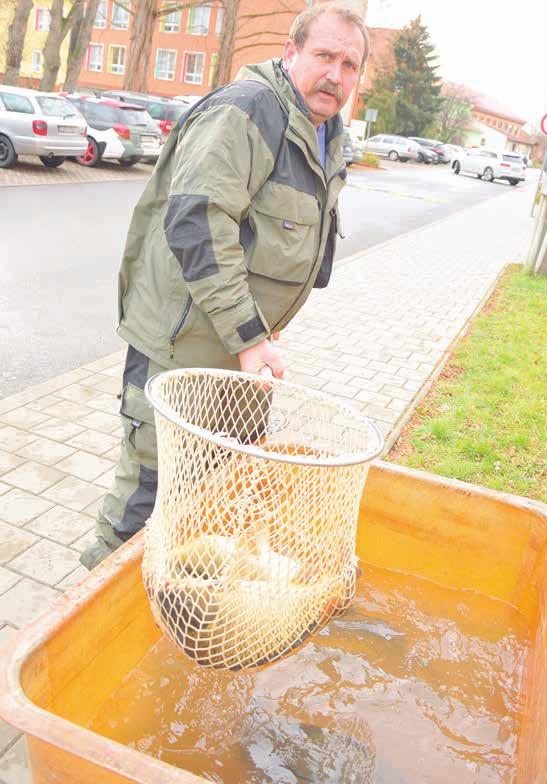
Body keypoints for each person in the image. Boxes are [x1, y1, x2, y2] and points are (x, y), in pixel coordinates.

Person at [80, 3, 369, 570]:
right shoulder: (248, 112)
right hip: (184, 347)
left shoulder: (326, 133)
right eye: (324, 56)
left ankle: (174, 603)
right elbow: (197, 222)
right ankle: (82, 626)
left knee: (210, 493)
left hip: (244, 353)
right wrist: (249, 335)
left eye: (350, 64)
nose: (336, 74)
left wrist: (262, 333)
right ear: (290, 54)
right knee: (147, 495)